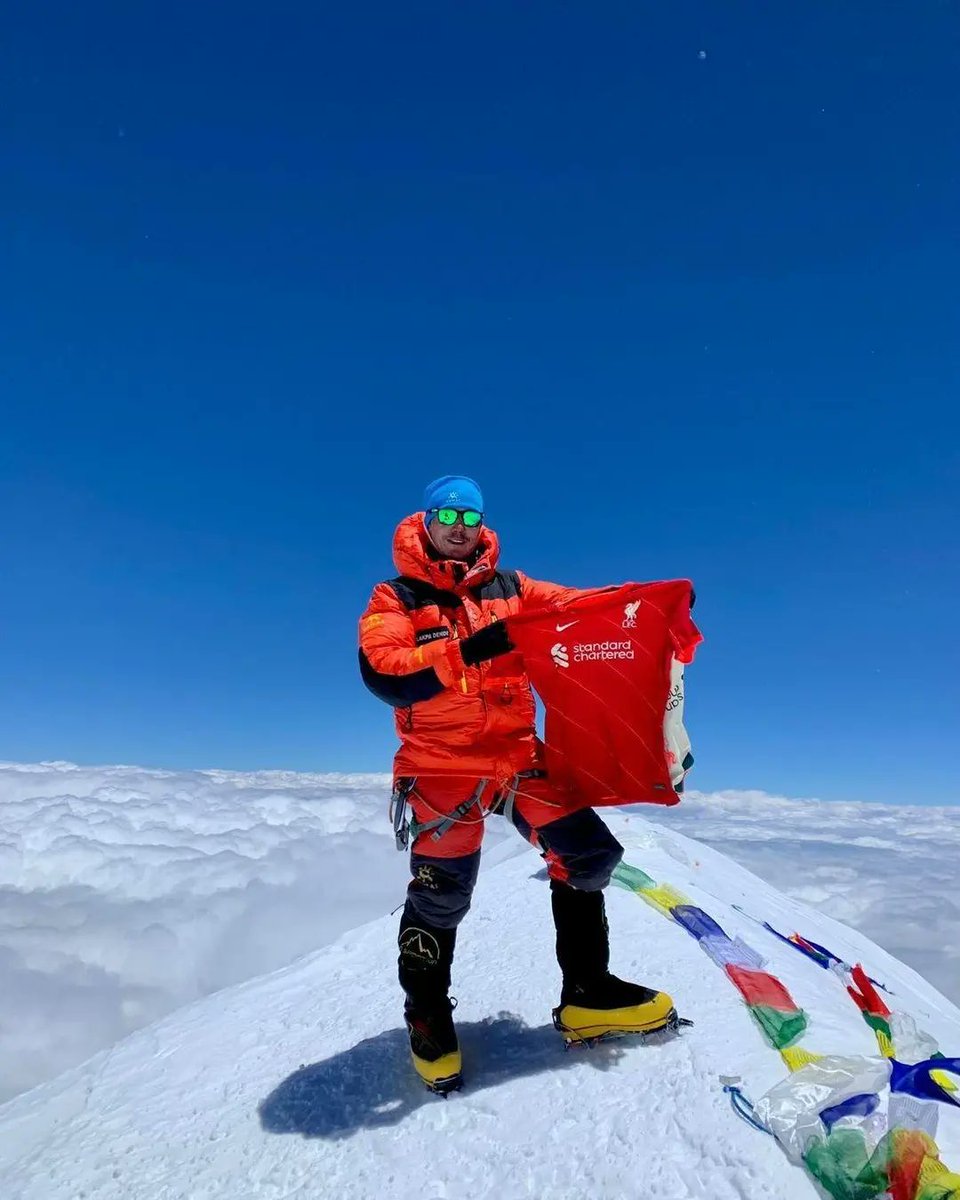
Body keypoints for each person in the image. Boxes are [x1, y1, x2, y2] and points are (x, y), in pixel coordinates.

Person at [358, 475, 675, 1093]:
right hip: (441, 766)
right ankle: (426, 1017)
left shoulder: (515, 589)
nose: (459, 523)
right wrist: (468, 651)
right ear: (427, 521)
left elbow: (579, 609)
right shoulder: (394, 597)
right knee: (441, 895)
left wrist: (643, 602)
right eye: (447, 512)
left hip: (516, 758)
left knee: (590, 855)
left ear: (481, 525)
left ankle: (588, 994)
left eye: (470, 514)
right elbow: (386, 673)